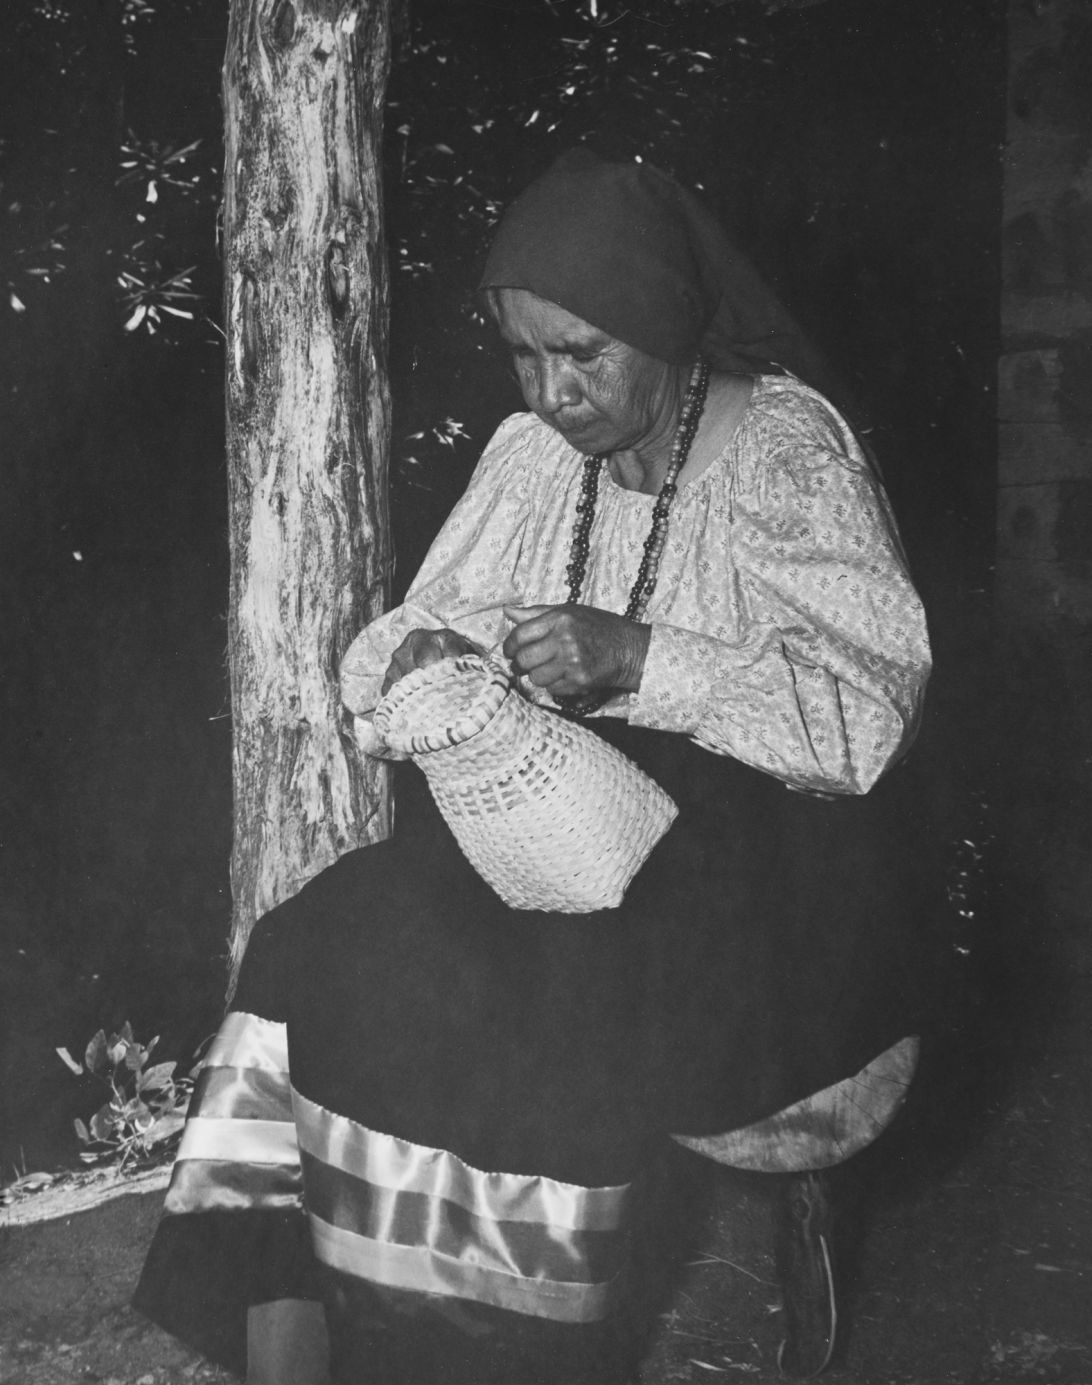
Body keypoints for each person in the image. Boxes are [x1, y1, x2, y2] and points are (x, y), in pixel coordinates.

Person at [135, 149, 937, 1385]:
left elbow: (864, 719)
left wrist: (640, 659)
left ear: (667, 324)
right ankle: (289, 1343)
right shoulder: (528, 460)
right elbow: (412, 629)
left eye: (583, 353)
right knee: (321, 936)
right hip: (550, 828)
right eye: (524, 354)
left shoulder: (784, 449)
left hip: (761, 882)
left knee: (537, 997)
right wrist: (436, 666)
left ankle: (489, 1354)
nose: (552, 390)